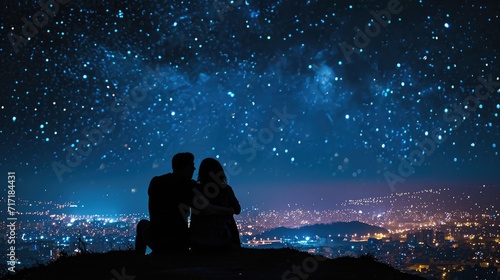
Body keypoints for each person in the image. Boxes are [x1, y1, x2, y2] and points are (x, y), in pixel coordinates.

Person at [135, 152, 197, 255]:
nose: (194, 169)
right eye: (192, 165)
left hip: (157, 239)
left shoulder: (156, 182)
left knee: (142, 224)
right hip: (180, 241)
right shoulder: (189, 185)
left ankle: (139, 258)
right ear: (186, 167)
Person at [190, 158, 241, 251]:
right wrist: (228, 210)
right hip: (224, 239)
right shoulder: (226, 190)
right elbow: (237, 209)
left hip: (198, 242)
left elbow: (206, 210)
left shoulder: (195, 190)